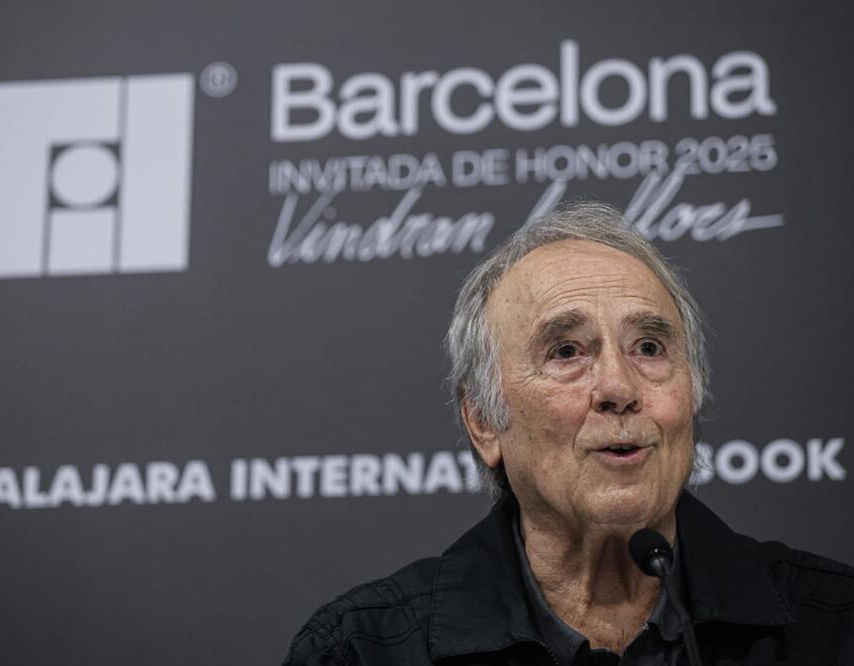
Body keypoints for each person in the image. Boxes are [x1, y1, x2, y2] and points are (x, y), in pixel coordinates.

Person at [283, 202, 854, 665]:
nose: (618, 386)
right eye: (566, 351)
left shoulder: (833, 626)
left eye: (649, 348)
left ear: (692, 392)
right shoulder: (363, 649)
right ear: (484, 420)